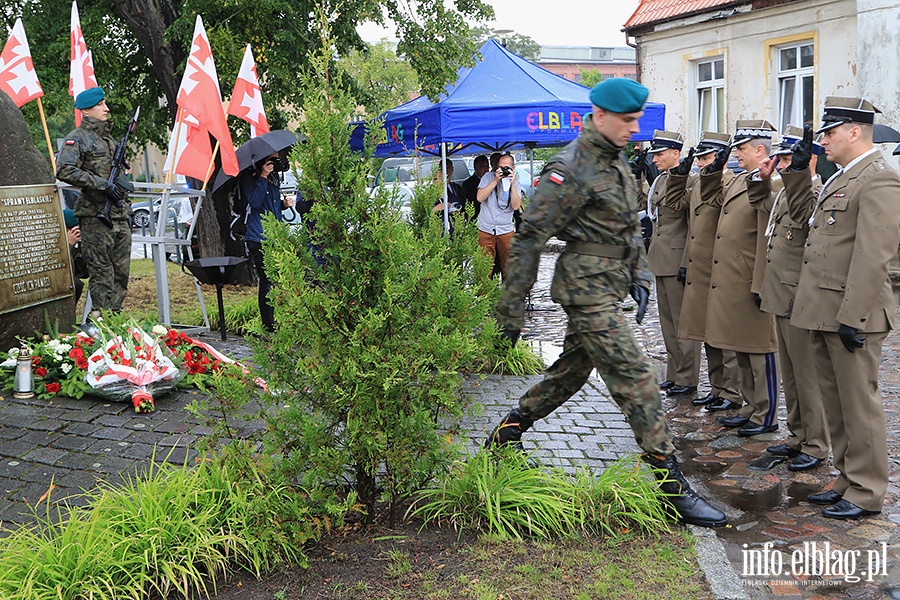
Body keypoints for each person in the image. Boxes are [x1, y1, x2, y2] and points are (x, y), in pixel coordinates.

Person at [487, 78, 727, 528]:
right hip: (586, 292)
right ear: (600, 116)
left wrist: (637, 273)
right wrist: (512, 309)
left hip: (608, 286)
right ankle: (671, 485)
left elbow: (629, 225)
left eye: (637, 120)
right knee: (636, 376)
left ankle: (507, 432)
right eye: (627, 120)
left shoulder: (616, 161)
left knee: (570, 375)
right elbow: (528, 238)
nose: (634, 130)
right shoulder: (569, 168)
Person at [788, 96, 900, 520]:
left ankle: (868, 490)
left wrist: (853, 316)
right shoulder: (843, 177)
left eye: (830, 133)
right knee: (835, 404)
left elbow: (874, 255)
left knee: (859, 406)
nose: (824, 142)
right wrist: (798, 173)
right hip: (824, 308)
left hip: (855, 314)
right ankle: (846, 478)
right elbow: (808, 227)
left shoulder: (878, 179)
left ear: (855, 131)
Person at [746, 125, 829, 471]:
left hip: (799, 296)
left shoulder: (815, 192)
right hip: (780, 292)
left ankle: (816, 443)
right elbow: (759, 202)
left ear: (806, 159)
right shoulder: (782, 192)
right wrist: (760, 177)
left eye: (785, 158)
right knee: (792, 373)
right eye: (779, 158)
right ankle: (797, 435)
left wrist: (794, 175)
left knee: (807, 374)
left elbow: (802, 215)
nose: (780, 164)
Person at [701, 120, 779, 437]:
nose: (737, 154)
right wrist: (712, 170)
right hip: (733, 277)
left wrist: (761, 282)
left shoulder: (772, 183)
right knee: (743, 349)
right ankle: (750, 407)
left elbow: (767, 238)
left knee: (760, 350)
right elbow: (712, 199)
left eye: (742, 148)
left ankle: (767, 414)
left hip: (752, 277)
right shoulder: (739, 180)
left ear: (760, 150)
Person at [667, 132, 743, 411]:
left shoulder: (731, 184)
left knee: (724, 335)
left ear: (722, 159)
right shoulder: (698, 183)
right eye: (699, 158)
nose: (701, 164)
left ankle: (732, 391)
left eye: (707, 158)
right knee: (706, 333)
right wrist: (679, 175)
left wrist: (713, 175)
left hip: (720, 267)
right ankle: (716, 387)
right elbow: (676, 205)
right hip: (699, 267)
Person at [56, 86, 132, 320]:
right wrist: (101, 183)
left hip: (118, 215)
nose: (106, 108)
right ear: (86, 110)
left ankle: (115, 319)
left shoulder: (108, 141)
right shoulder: (76, 139)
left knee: (121, 273)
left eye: (104, 104)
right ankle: (98, 322)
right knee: (102, 273)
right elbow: (64, 170)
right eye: (100, 105)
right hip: (94, 216)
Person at [644, 130, 701, 397]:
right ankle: (674, 372)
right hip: (659, 258)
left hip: (678, 259)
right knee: (667, 322)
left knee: (683, 323)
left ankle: (688, 377)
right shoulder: (658, 181)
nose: (655, 158)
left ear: (676, 154)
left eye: (660, 154)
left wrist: (687, 260)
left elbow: (693, 227)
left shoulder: (689, 181)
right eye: (654, 154)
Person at [241, 153, 295, 333]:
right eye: (271, 159)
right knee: (266, 281)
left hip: (274, 236)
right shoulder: (250, 176)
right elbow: (255, 202)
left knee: (274, 281)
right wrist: (263, 176)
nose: (274, 162)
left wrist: (284, 205)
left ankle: (272, 322)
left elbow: (270, 205)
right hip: (257, 237)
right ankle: (268, 326)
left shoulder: (274, 176)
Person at [476, 152, 522, 280]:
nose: (503, 170)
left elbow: (516, 206)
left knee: (509, 268)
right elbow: (479, 198)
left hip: (506, 229)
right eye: (501, 167)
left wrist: (512, 184)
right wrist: (496, 180)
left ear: (513, 168)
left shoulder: (516, 182)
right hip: (486, 228)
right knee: (483, 269)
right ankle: (484, 298)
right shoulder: (488, 177)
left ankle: (508, 298)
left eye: (507, 168)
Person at [432, 158, 465, 235]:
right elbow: (424, 214)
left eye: (445, 178)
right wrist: (436, 208)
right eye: (438, 178)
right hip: (438, 229)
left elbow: (463, 205)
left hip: (455, 227)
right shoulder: (429, 194)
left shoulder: (455, 188)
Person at [63, 209, 89, 304]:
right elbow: (60, 267)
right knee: (75, 283)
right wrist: (69, 246)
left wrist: (82, 246)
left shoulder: (77, 242)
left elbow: (83, 273)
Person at [462, 155, 490, 220]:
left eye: (487, 166)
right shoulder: (468, 183)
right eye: (482, 166)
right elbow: (470, 202)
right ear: (475, 167)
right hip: (477, 217)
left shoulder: (491, 181)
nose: (486, 169)